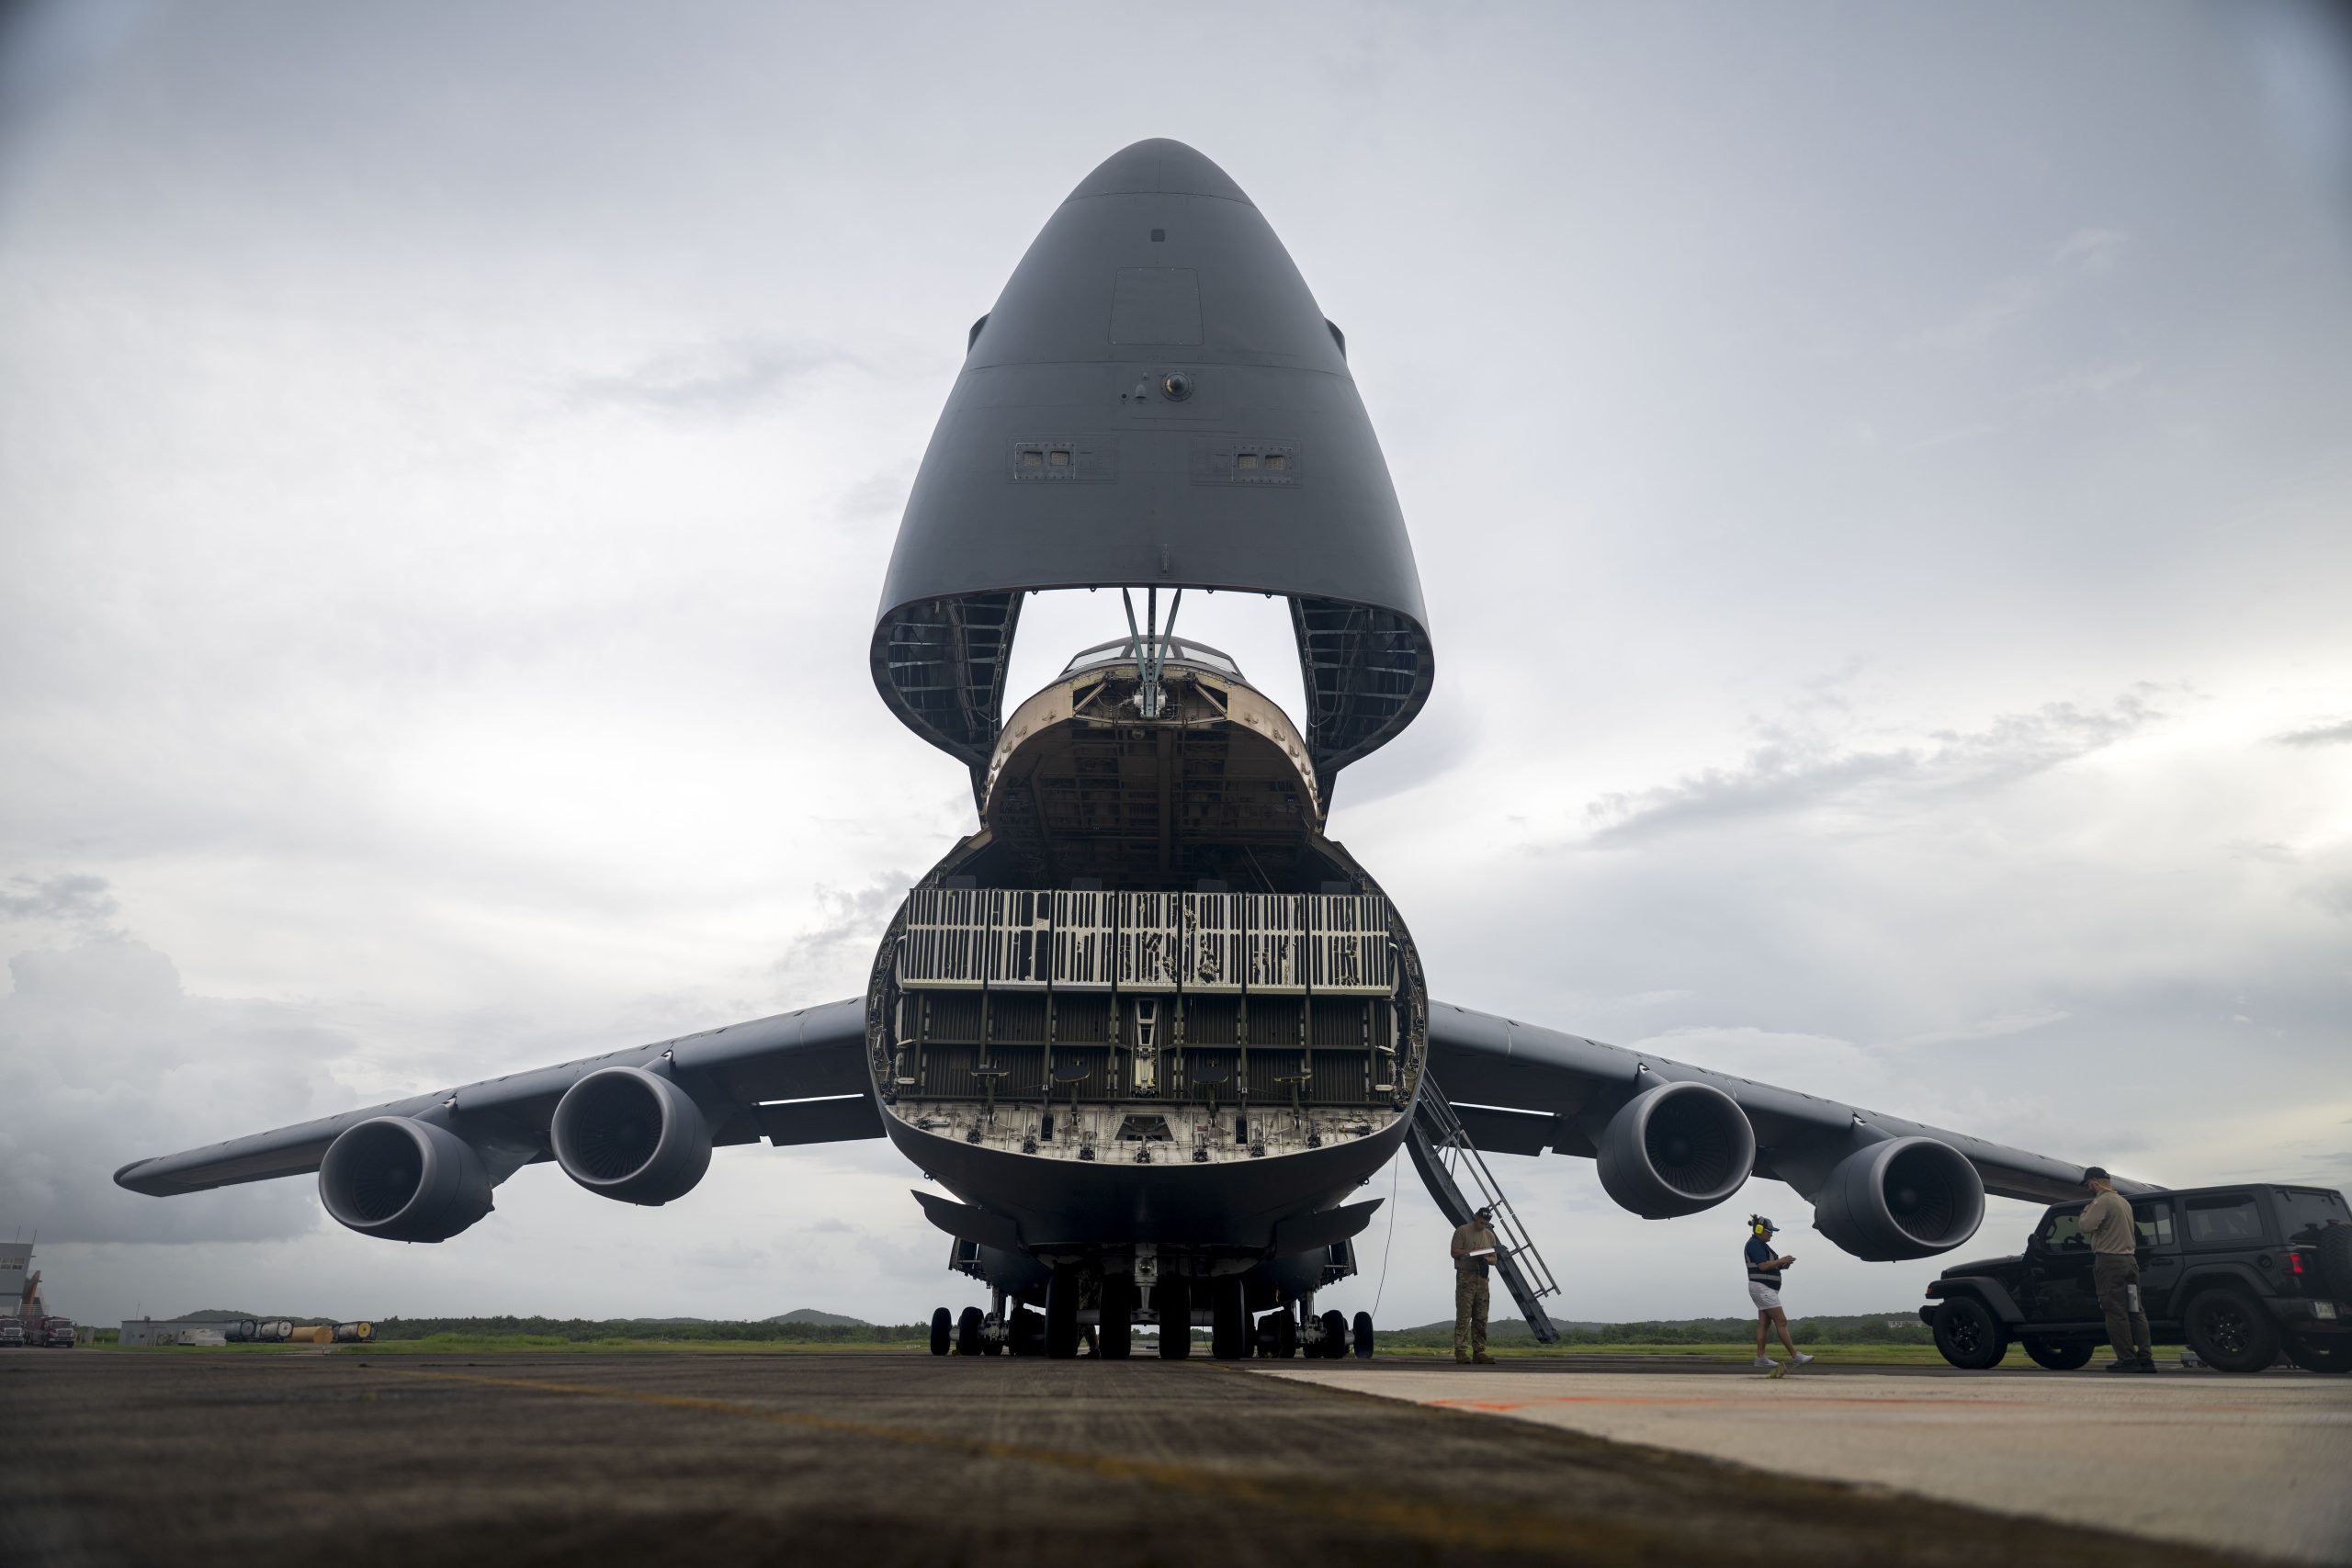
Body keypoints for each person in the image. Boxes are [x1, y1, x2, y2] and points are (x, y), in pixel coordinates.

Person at [2079, 1167, 2155, 1373]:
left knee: (2115, 1311)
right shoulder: (2123, 1202)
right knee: (2136, 1310)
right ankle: (2146, 1358)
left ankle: (2127, 1359)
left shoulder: (2102, 1202)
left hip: (2110, 1262)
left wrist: (2085, 1211)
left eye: (2087, 1184)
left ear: (2094, 1181)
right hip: (2130, 1261)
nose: (2088, 1188)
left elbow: (2086, 1226)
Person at [1745, 1215, 1813, 1372]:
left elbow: (1771, 1265)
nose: (1772, 1234)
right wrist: (1781, 1260)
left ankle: (1761, 1358)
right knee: (1781, 1321)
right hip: (1763, 1288)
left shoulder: (1762, 1246)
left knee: (1764, 1323)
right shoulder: (1755, 1244)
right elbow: (1763, 1266)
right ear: (1759, 1230)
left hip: (1764, 1288)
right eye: (1769, 1231)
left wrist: (1784, 1264)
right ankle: (1795, 1355)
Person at [1451, 1205, 1500, 1364]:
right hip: (1466, 1277)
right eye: (1482, 1220)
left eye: (1486, 1222)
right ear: (1476, 1216)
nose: (1483, 1224)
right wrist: (1470, 1251)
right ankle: (1461, 1351)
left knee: (1481, 1317)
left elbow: (1494, 1259)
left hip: (1482, 1278)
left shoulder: (1490, 1236)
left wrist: (1484, 1257)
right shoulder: (1462, 1231)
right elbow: (1454, 1252)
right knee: (1464, 1315)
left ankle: (1479, 1352)